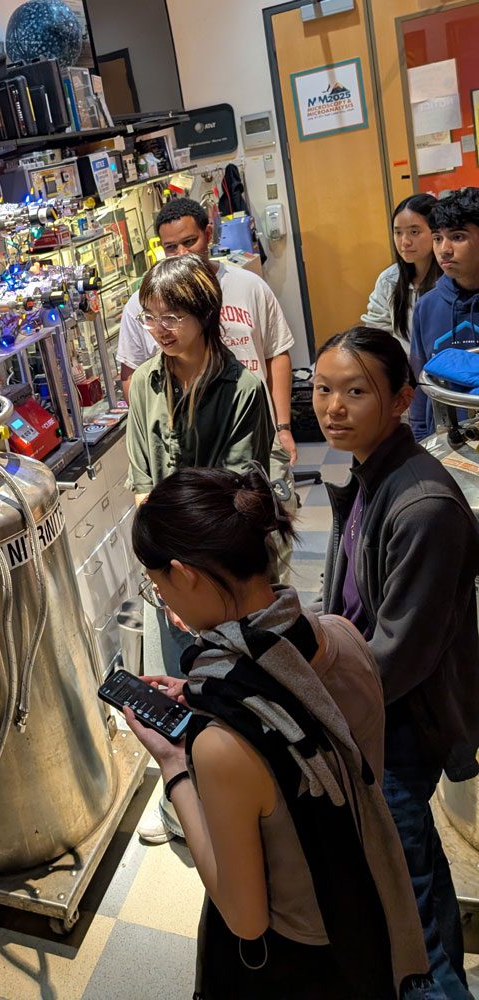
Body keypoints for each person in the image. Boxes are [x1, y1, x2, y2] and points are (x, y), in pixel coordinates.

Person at [124, 465, 434, 999]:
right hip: (365, 904)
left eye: (159, 588)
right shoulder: (342, 639)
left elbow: (245, 919)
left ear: (186, 574)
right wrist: (206, 694)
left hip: (301, 959)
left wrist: (175, 768)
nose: (166, 603)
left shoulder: (221, 744)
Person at [313, 326, 479, 998]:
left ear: (403, 399)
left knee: (405, 906)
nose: (333, 407)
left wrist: (323, 705)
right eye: (324, 389)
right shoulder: (371, 473)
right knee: (417, 871)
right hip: (378, 711)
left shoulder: (423, 505)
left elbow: (396, 657)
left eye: (357, 391)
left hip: (399, 725)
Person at [127, 252, 273, 843]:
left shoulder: (243, 389)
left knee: (231, 680)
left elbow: (240, 495)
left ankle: (240, 795)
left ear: (205, 313)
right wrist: (165, 575)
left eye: (172, 316)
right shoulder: (143, 383)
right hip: (168, 567)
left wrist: (195, 580)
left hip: (220, 568)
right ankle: (185, 795)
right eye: (150, 316)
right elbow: (142, 483)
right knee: (176, 678)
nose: (160, 329)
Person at [116, 197, 298, 469]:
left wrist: (282, 425)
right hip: (185, 446)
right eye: (170, 247)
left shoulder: (250, 287)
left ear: (209, 233)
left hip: (252, 425)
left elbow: (276, 354)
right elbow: (132, 375)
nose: (181, 254)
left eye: (189, 242)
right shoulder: (141, 304)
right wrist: (154, 437)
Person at [409, 187, 479, 440]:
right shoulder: (427, 306)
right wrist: (419, 437)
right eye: (438, 238)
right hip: (444, 438)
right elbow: (419, 382)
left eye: (457, 237)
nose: (444, 250)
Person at [362, 193, 440, 352]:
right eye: (398, 232)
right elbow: (376, 332)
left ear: (436, 232)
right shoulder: (389, 280)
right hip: (403, 371)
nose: (405, 242)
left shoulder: (453, 279)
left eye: (414, 232)